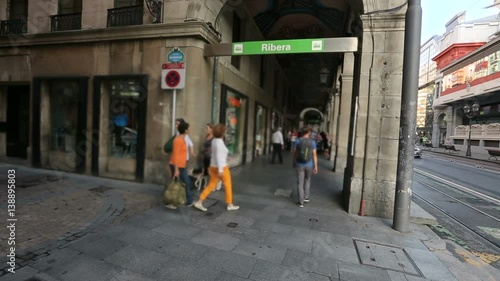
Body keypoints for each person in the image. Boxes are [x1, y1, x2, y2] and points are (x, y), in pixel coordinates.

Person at [194, 123, 239, 212]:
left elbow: (216, 154)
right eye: (224, 130)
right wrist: (221, 170)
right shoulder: (219, 142)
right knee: (228, 185)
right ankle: (230, 204)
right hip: (220, 167)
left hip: (213, 166)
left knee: (211, 185)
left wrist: (225, 157)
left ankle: (199, 202)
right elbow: (219, 156)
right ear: (222, 132)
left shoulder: (215, 140)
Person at [166, 122, 194, 209]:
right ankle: (172, 202)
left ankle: (186, 201)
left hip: (181, 165)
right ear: (185, 130)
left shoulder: (182, 139)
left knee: (182, 183)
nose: (189, 130)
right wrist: (176, 169)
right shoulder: (178, 140)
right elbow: (176, 155)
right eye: (188, 128)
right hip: (178, 166)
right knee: (179, 184)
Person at [292, 127, 318, 208]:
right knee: (307, 180)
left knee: (300, 182)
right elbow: (314, 155)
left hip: (299, 164)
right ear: (309, 132)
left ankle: (301, 202)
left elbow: (294, 153)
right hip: (309, 165)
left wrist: (293, 162)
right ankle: (306, 197)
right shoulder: (312, 142)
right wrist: (316, 166)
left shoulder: (298, 141)